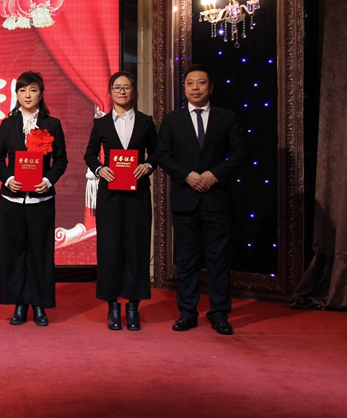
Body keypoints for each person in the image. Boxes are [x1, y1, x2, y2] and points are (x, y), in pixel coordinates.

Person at [153, 63, 247, 335]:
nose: (195, 88)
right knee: (187, 261)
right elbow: (163, 155)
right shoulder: (172, 120)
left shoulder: (227, 118)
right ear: (184, 88)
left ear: (211, 87)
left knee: (218, 260)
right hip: (185, 200)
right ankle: (187, 312)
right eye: (190, 83)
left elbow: (240, 153)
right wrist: (187, 176)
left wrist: (214, 175)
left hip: (217, 200)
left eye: (201, 83)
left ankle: (219, 313)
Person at [0, 71, 68, 326]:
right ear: (16, 94)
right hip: (12, 200)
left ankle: (39, 305)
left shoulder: (51, 124)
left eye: (33, 90)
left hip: (40, 201)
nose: (27, 95)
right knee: (14, 253)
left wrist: (47, 181)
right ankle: (19, 305)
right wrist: (7, 179)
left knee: (40, 253)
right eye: (23, 90)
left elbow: (61, 160)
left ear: (41, 94)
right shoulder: (8, 124)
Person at [84, 71, 157, 331]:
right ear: (110, 92)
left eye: (127, 87)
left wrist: (148, 165)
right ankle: (113, 306)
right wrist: (99, 169)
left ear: (134, 92)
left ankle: (133, 306)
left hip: (138, 194)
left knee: (137, 247)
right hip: (110, 195)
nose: (122, 92)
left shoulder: (146, 122)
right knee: (110, 248)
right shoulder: (102, 123)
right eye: (117, 87)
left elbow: (157, 152)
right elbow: (90, 154)